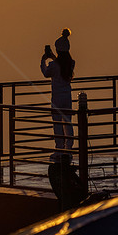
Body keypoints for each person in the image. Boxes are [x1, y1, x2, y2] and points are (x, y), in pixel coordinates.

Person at [41, 28, 75, 160]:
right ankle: (69, 150)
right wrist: (54, 58)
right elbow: (61, 63)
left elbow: (46, 72)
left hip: (57, 98)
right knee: (68, 123)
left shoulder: (54, 65)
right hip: (67, 97)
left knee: (57, 124)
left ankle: (59, 149)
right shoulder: (70, 63)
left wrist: (43, 60)